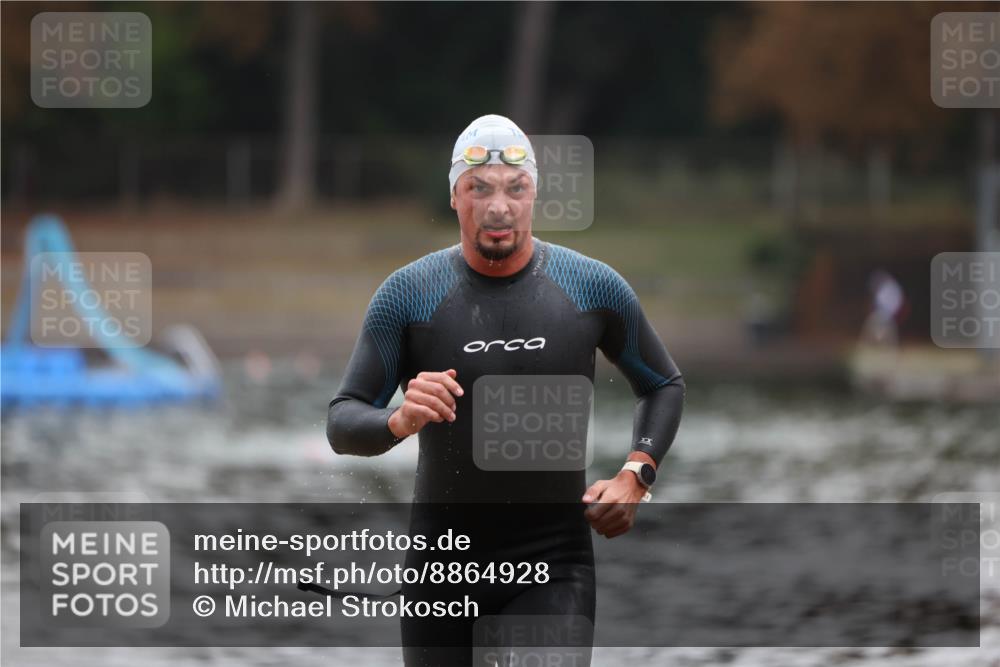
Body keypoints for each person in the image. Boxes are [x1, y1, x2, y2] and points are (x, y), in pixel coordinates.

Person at [326, 114, 685, 666]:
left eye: (515, 189)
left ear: (534, 193)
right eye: (480, 188)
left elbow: (662, 384)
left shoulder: (591, 287)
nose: (499, 207)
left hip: (553, 563)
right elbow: (342, 422)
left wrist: (637, 473)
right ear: (455, 196)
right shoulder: (408, 296)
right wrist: (398, 420)